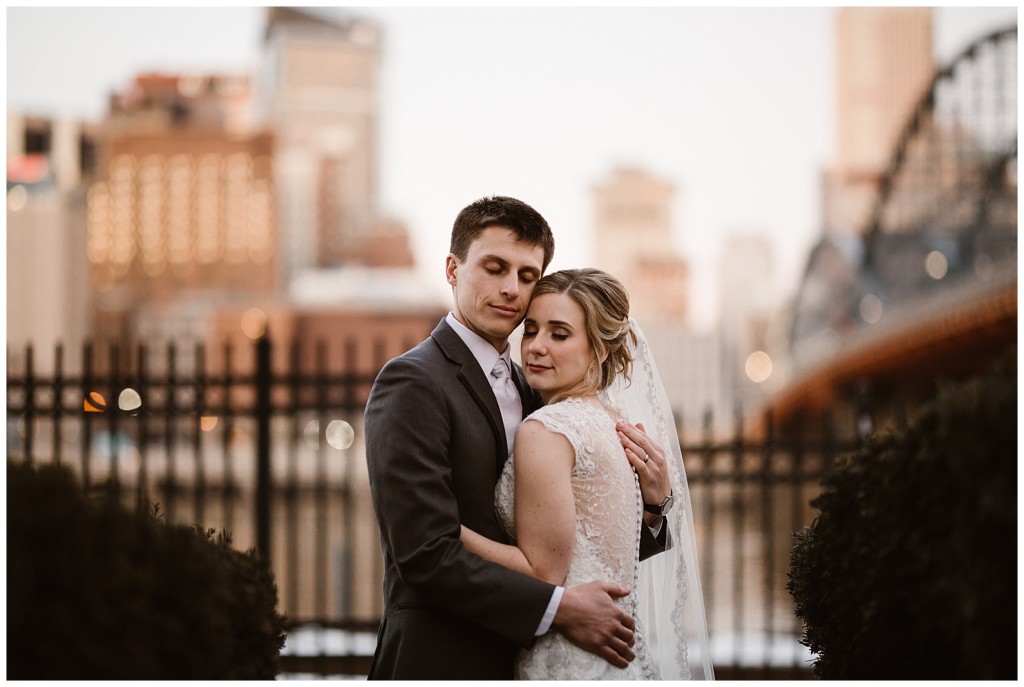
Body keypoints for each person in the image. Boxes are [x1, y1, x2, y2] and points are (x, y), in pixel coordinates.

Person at [363, 196, 673, 679]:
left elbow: (583, 543)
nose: (511, 289)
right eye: (494, 268)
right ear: (452, 268)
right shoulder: (412, 382)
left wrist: (653, 510)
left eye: (527, 276)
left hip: (539, 661)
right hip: (445, 660)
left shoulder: (541, 390)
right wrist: (560, 608)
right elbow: (422, 554)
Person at [460, 268, 714, 680]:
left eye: (559, 335)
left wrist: (449, 532)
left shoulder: (546, 430)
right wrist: (656, 509)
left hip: (566, 657)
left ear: (599, 351)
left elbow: (545, 573)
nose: (536, 347)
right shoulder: (616, 423)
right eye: (531, 330)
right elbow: (605, 551)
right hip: (617, 660)